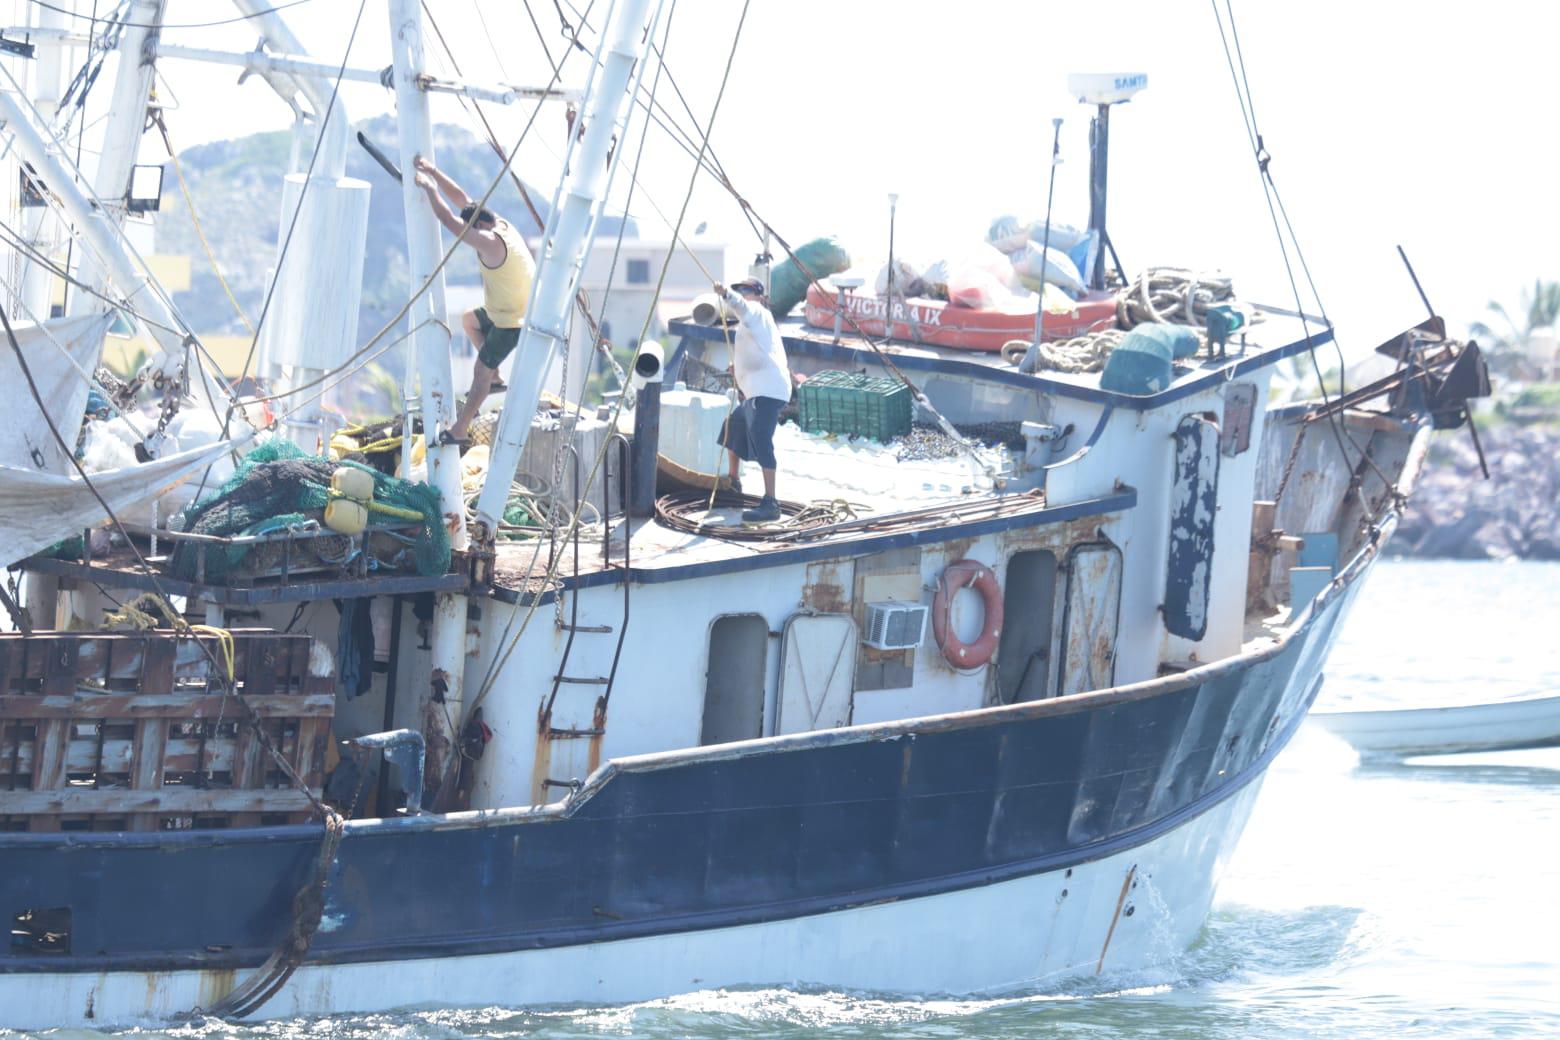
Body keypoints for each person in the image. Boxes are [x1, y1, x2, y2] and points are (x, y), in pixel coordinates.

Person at [412, 156, 536, 443]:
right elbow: (462, 199)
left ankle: (460, 430)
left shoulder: (491, 241)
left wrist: (429, 189)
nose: (472, 236)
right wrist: (433, 171)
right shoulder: (500, 224)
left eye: (474, 229)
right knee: (469, 320)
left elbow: (450, 221)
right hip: (502, 309)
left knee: (479, 371)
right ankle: (494, 375)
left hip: (512, 321)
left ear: (480, 224)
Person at [713, 278, 792, 523]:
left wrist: (726, 293)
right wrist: (738, 368)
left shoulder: (756, 311)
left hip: (768, 390)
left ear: (758, 295)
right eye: (739, 290)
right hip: (757, 390)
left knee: (760, 436)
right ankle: (734, 483)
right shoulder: (754, 323)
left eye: (746, 291)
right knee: (733, 425)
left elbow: (742, 307)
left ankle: (771, 502)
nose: (742, 294)